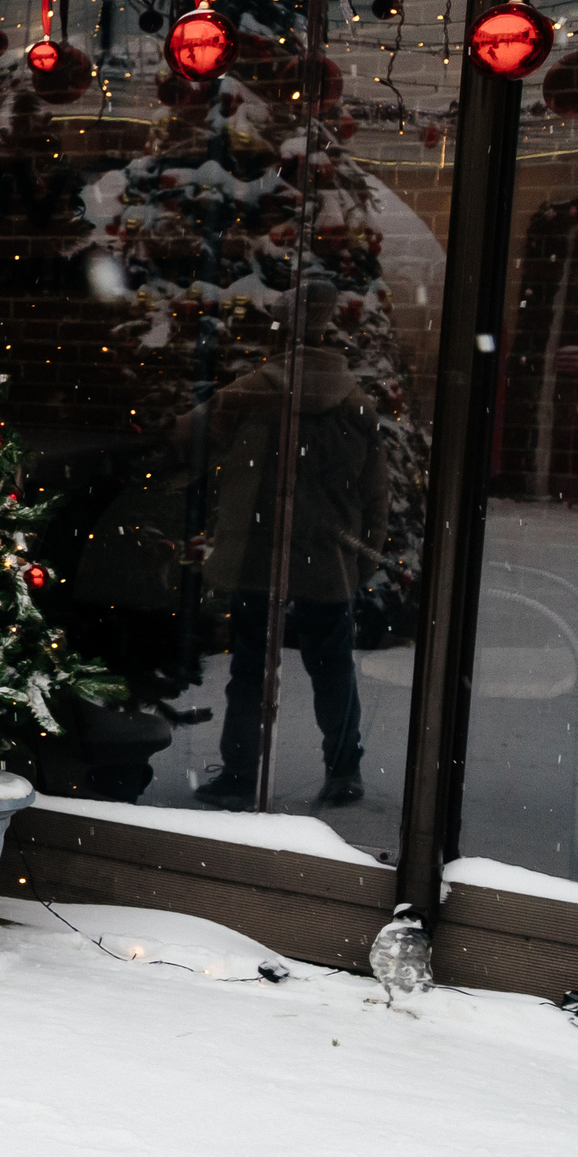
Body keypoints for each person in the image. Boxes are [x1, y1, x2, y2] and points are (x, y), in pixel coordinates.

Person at [183, 279, 391, 809]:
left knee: (251, 669)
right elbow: (376, 497)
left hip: (259, 555)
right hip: (328, 561)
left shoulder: (257, 388)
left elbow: (187, 436)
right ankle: (344, 770)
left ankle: (239, 773)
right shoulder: (355, 401)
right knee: (333, 668)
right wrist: (360, 561)